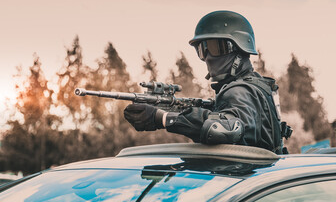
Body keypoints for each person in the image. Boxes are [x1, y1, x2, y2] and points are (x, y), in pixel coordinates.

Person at [124, 10, 291, 154]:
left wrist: (164, 118)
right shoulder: (254, 85)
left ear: (239, 49)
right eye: (203, 49)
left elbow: (226, 129)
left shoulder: (240, 90)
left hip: (250, 184)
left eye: (216, 48)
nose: (208, 56)